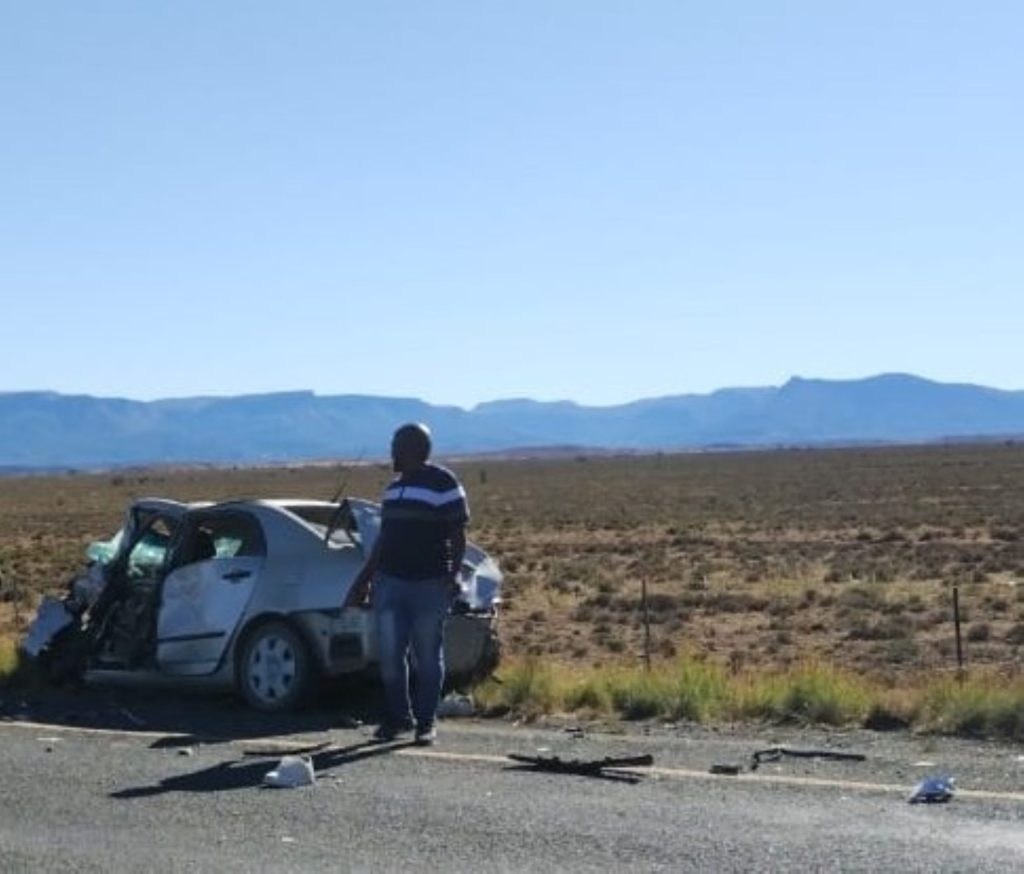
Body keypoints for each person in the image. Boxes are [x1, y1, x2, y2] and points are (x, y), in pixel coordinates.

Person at [347, 423, 469, 745]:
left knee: (427, 655)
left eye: (395, 444)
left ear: (413, 448)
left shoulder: (444, 483)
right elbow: (384, 540)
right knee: (390, 655)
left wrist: (454, 573)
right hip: (391, 582)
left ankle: (426, 721)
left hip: (430, 584)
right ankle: (398, 717)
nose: (391, 451)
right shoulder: (393, 489)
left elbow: (457, 534)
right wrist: (364, 580)